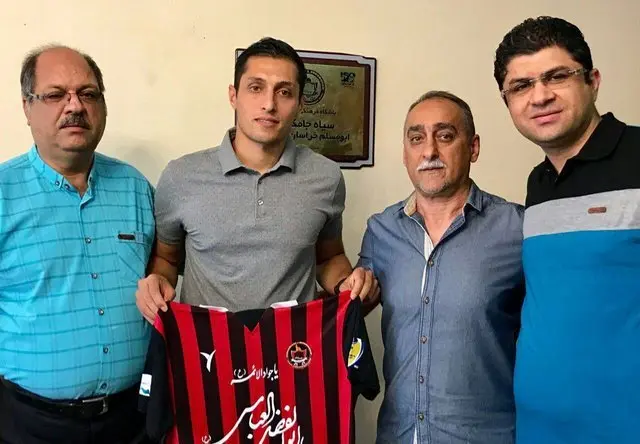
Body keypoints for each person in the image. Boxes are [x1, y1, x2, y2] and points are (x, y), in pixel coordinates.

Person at [135, 37, 377, 323]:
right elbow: (166, 259)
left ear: (300, 103)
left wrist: (346, 283)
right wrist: (157, 282)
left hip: (295, 345)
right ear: (233, 96)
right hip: (206, 345)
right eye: (255, 88)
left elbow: (328, 257)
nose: (269, 104)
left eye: (284, 92)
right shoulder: (181, 177)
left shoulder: (326, 177)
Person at [494, 16, 640, 444]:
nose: (540, 96)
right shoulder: (538, 183)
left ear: (593, 81)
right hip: (539, 428)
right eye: (521, 86)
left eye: (557, 76)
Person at [0, 45, 154, 443]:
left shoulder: (136, 188)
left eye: (88, 94)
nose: (75, 106)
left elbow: (161, 274)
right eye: (56, 95)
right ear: (27, 107)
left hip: (132, 420)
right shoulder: (3, 192)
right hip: (30, 424)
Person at [357, 91, 525, 444]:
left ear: (473, 148)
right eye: (417, 139)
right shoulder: (381, 231)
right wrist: (350, 288)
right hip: (399, 435)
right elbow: (351, 308)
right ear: (405, 153)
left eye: (445, 136)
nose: (429, 151)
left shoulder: (517, 228)